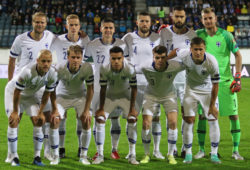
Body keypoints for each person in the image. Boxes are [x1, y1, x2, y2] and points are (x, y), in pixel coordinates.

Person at [7, 11, 56, 162]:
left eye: (42, 22)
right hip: (20, 84)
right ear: (32, 23)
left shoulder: (50, 36)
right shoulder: (21, 39)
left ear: (46, 24)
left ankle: (43, 153)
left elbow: (65, 41)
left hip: (38, 85)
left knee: (42, 119)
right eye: (37, 22)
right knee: (15, 118)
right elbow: (12, 60)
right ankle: (12, 155)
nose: (39, 24)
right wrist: (12, 80)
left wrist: (79, 34)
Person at [195, 7, 244, 160]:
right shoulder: (198, 35)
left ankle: (235, 151)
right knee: (202, 116)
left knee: (233, 116)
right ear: (202, 20)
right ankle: (202, 150)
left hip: (225, 83)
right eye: (205, 18)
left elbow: (238, 55)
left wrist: (237, 77)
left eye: (210, 18)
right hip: (205, 84)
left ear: (215, 19)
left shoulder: (226, 35)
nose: (208, 21)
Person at [169, 37, 221, 164]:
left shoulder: (212, 61)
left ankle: (214, 153)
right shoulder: (185, 54)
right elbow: (176, 51)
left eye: (201, 49)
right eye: (195, 49)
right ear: (190, 49)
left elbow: (215, 85)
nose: (198, 52)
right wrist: (165, 59)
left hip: (207, 91)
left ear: (205, 49)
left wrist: (212, 105)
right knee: (189, 120)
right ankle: (188, 153)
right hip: (190, 90)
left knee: (212, 119)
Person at [5, 50, 58, 166]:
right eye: (43, 61)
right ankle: (13, 156)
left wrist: (40, 112)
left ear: (51, 62)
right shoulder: (27, 72)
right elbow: (17, 92)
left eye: (48, 61)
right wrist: (15, 111)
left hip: (30, 95)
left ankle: (37, 157)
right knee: (13, 121)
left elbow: (46, 94)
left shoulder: (53, 74)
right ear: (37, 61)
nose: (46, 64)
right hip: (13, 93)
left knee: (39, 121)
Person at [84, 18, 127, 160]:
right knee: (99, 119)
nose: (108, 30)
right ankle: (99, 151)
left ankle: (114, 149)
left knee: (115, 119)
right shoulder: (92, 45)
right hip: (97, 88)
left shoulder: (121, 44)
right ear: (100, 29)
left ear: (114, 29)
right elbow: (84, 62)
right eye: (105, 27)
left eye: (110, 27)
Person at [122, 12, 163, 160]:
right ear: (137, 22)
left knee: (156, 118)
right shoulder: (128, 38)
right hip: (133, 84)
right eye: (142, 21)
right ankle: (131, 151)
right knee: (132, 118)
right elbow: (122, 59)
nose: (144, 24)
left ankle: (156, 150)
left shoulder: (158, 38)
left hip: (153, 84)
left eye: (147, 21)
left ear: (150, 23)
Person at [51, 14, 90, 159]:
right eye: (70, 25)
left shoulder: (85, 41)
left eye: (76, 25)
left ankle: (81, 148)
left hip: (79, 85)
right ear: (66, 26)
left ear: (80, 26)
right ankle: (60, 148)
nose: (73, 27)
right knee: (60, 118)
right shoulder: (57, 40)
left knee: (82, 119)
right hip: (62, 85)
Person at [159, 6, 196, 157]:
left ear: (185, 17)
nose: (179, 19)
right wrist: (169, 56)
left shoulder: (192, 34)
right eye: (177, 16)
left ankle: (186, 148)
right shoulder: (164, 32)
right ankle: (172, 148)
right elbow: (159, 55)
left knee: (187, 115)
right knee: (171, 115)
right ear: (172, 16)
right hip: (169, 80)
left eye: (182, 17)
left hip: (187, 80)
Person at [93, 46, 139, 165]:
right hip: (110, 97)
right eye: (113, 59)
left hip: (125, 97)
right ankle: (100, 154)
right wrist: (101, 109)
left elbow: (134, 89)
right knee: (100, 119)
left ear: (123, 57)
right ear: (110, 58)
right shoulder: (104, 68)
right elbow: (103, 89)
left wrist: (132, 109)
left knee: (132, 119)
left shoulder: (129, 68)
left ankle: (132, 154)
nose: (116, 61)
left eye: (119, 58)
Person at [140, 45, 184, 165]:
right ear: (153, 57)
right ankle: (146, 154)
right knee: (146, 123)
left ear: (167, 57)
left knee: (173, 122)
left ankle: (170, 154)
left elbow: (189, 63)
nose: (160, 60)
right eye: (157, 57)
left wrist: (180, 51)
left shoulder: (175, 66)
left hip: (169, 96)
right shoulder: (145, 67)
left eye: (163, 57)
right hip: (150, 96)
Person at [55, 45, 94, 165]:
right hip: (62, 96)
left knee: (86, 119)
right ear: (67, 57)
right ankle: (58, 151)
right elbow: (51, 88)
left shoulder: (87, 67)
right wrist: (53, 108)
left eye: (78, 57)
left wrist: (87, 110)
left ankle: (83, 154)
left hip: (80, 97)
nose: (76, 60)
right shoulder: (59, 67)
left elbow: (90, 89)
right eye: (73, 57)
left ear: (82, 57)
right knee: (55, 119)